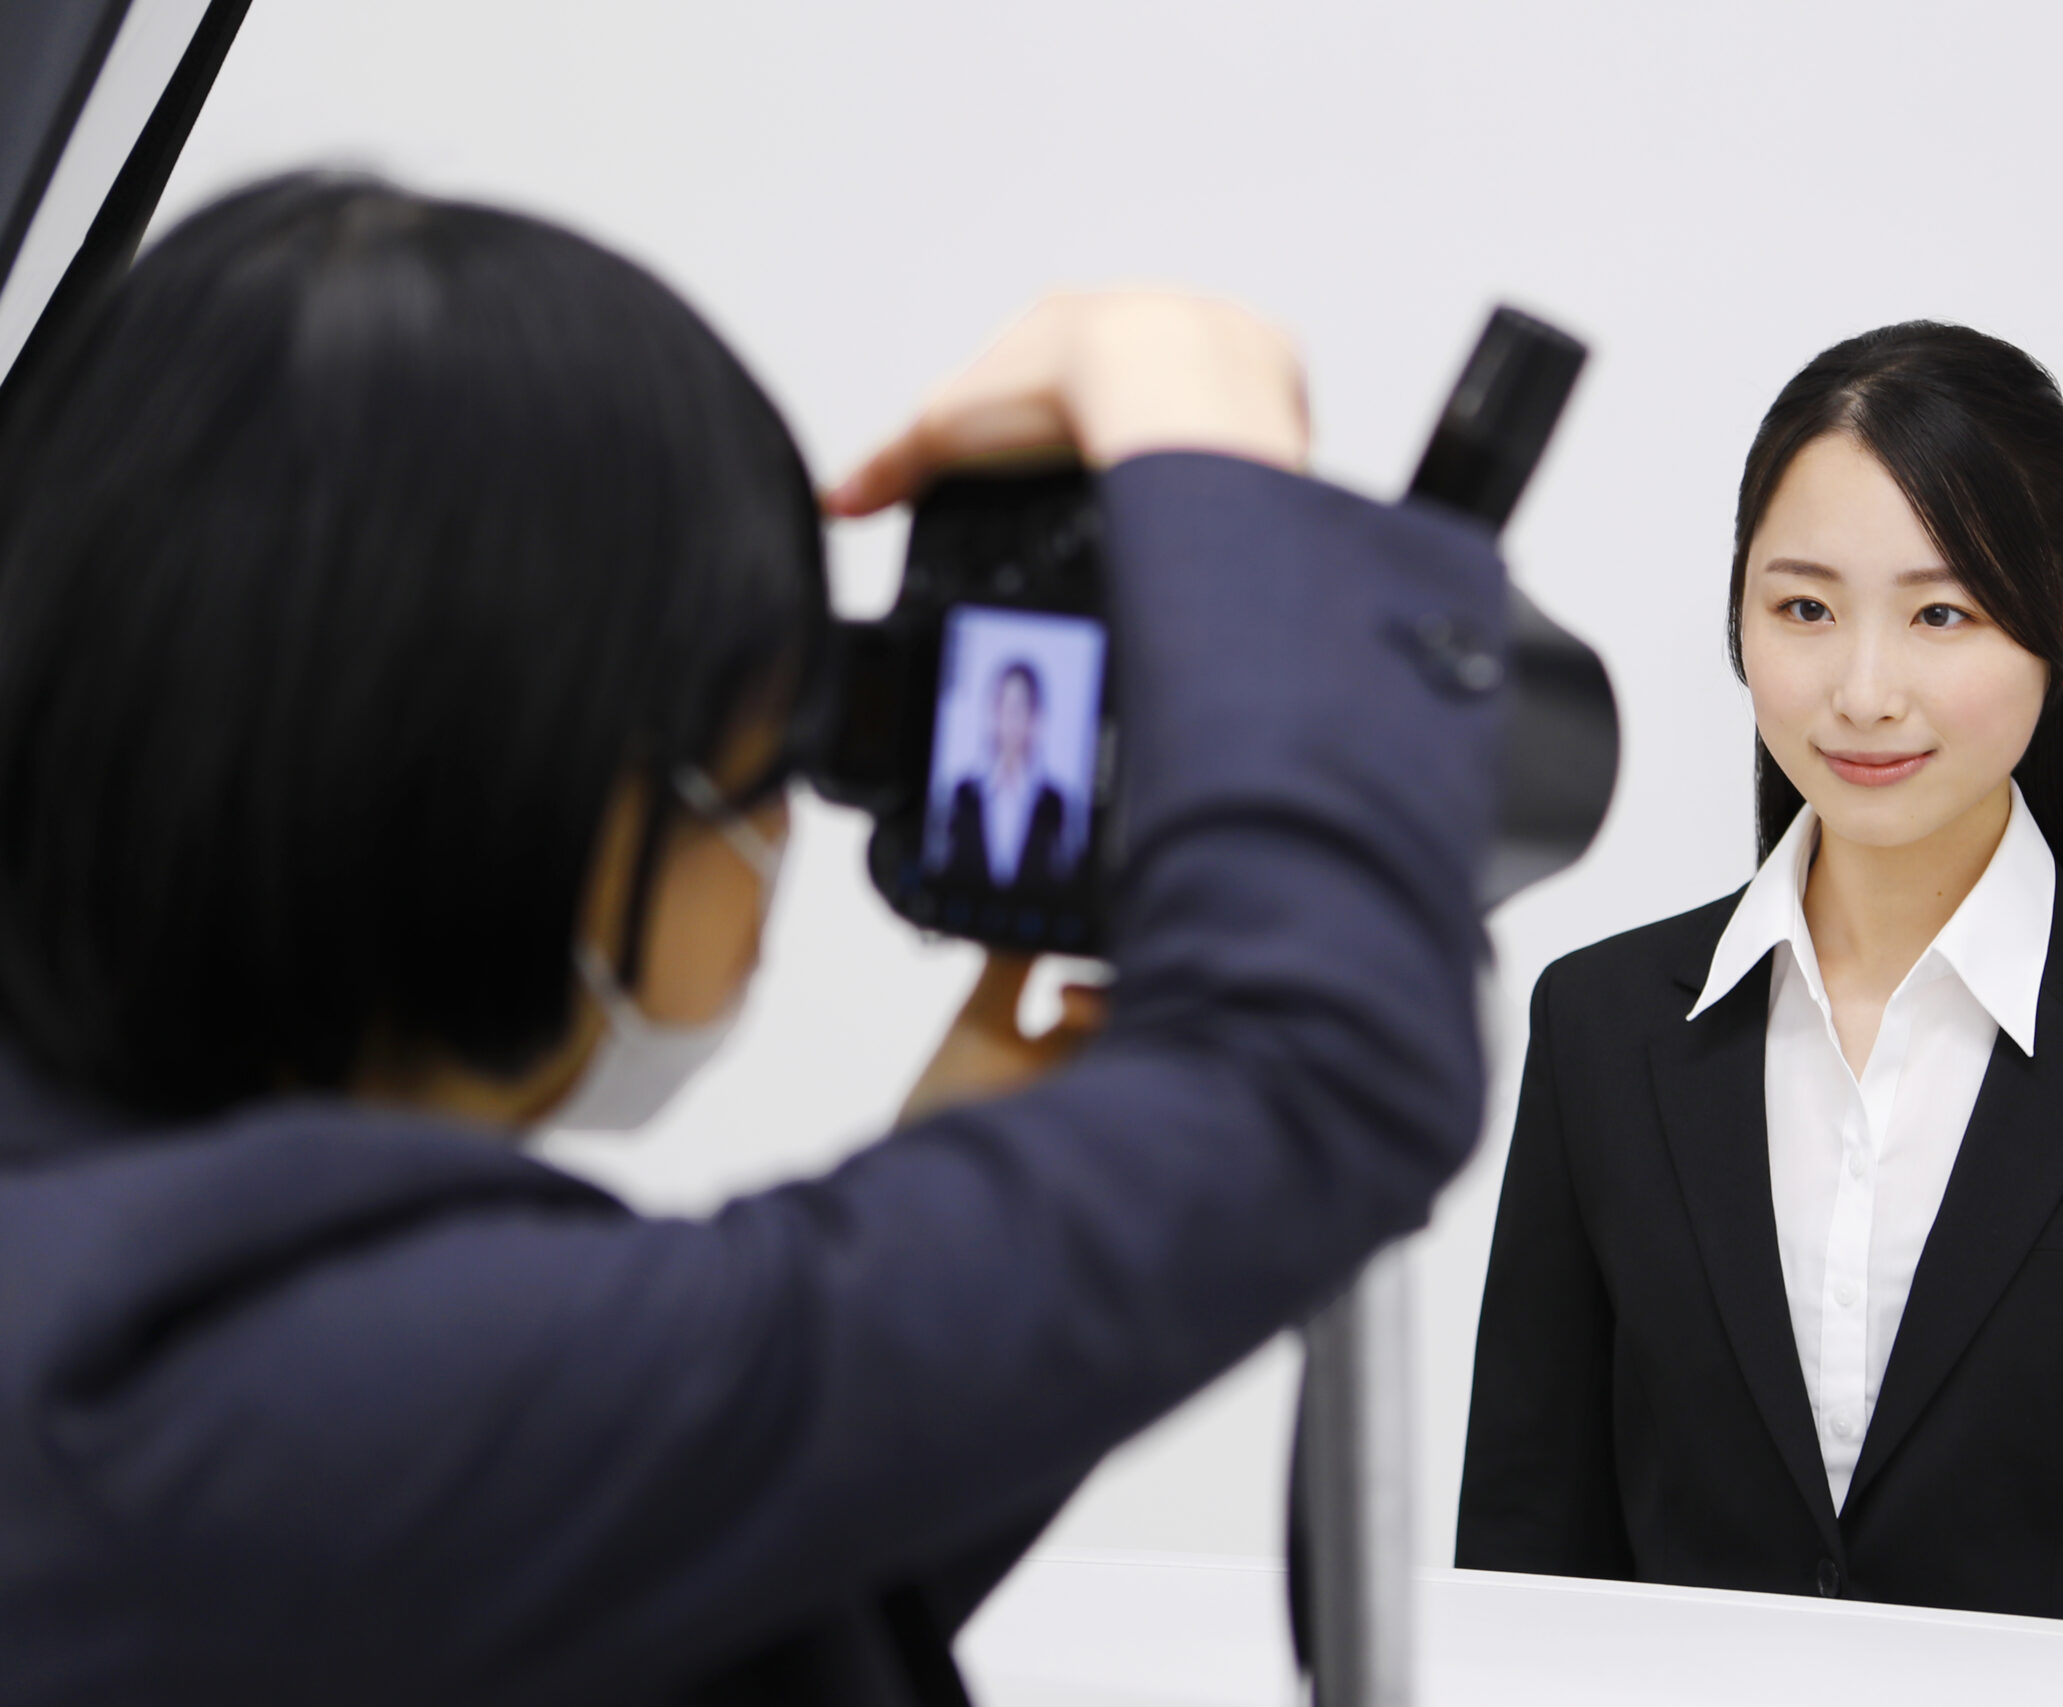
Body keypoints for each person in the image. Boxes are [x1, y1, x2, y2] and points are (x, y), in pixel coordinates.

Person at [0, 175, 1508, 1704]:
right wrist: (1202, 422)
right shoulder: (238, 1384)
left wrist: (964, 1197)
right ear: (546, 785)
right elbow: (1315, 1076)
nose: (789, 828)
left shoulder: (100, 1283)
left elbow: (634, 1600)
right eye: (770, 750)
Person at [1454, 322, 2063, 1653]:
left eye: (1943, 611)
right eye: (1805, 607)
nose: (1864, 689)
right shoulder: (1600, 1030)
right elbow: (1521, 1573)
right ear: (1738, 614)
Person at [938, 660, 1079, 891]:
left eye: (1019, 708)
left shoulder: (1054, 802)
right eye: (1003, 706)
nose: (1010, 719)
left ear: (1033, 718)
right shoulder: (964, 793)